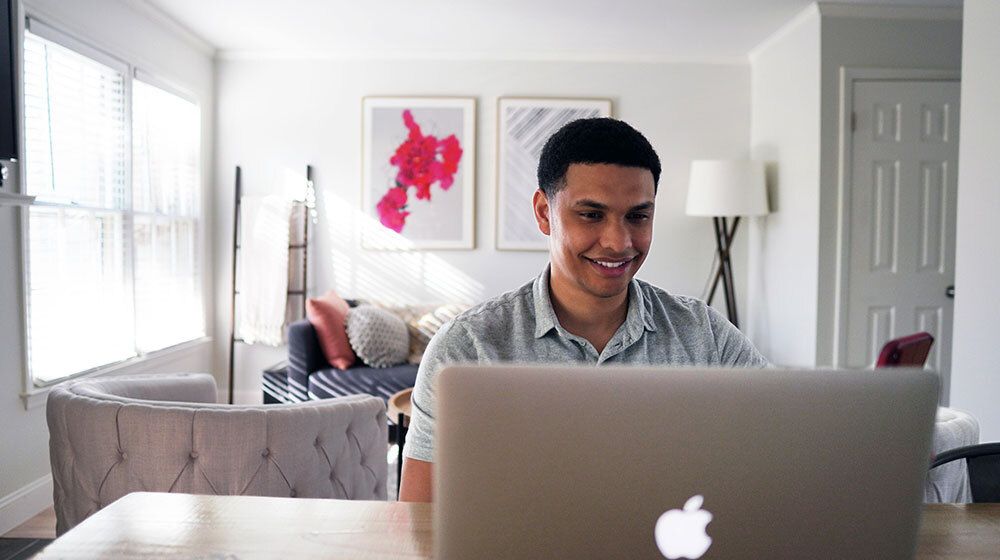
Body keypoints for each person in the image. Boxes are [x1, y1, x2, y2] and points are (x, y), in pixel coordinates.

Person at [398, 118, 768, 502]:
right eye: (591, 215)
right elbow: (416, 520)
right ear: (544, 213)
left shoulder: (704, 335)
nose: (618, 242)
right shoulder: (467, 347)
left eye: (638, 216)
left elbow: (781, 447)